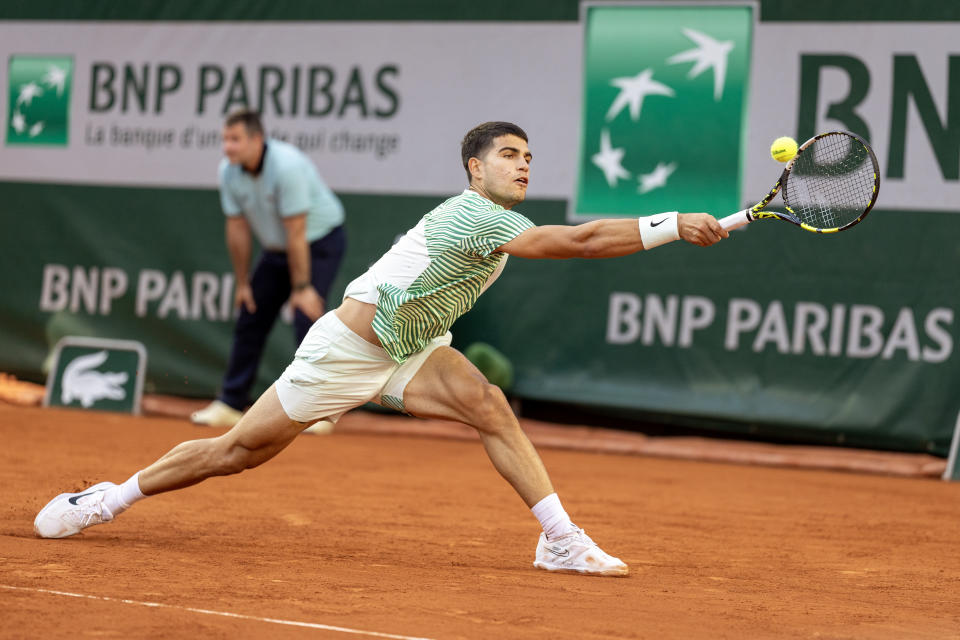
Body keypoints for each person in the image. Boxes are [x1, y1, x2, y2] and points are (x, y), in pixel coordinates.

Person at [34, 122, 728, 576]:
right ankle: (109, 498)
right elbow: (573, 242)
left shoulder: (499, 220)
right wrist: (670, 223)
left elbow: (566, 240)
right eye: (508, 156)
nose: (522, 166)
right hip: (345, 351)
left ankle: (559, 538)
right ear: (473, 168)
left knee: (489, 406)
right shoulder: (470, 215)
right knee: (236, 453)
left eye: (528, 158)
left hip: (415, 346)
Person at [191, 109, 346, 428]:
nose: (227, 147)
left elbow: (296, 231)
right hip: (277, 250)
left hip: (318, 243)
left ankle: (318, 410)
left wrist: (302, 289)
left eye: (235, 140)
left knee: (308, 318)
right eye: (225, 140)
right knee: (251, 314)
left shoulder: (286, 167)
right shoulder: (228, 172)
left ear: (256, 140)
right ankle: (231, 403)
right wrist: (243, 282)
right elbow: (237, 228)